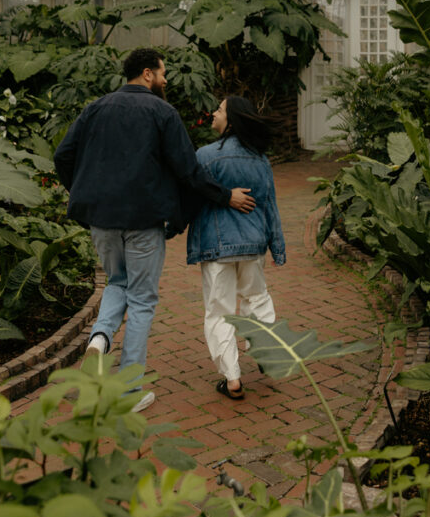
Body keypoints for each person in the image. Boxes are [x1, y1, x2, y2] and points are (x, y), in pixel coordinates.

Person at [53, 48, 256, 412]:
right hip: (143, 221)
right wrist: (225, 196)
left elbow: (62, 156)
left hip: (101, 221)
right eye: (163, 73)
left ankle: (99, 339)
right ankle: (129, 392)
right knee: (142, 300)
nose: (165, 80)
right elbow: (188, 170)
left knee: (117, 283)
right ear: (147, 74)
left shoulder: (95, 108)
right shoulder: (162, 112)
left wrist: (85, 194)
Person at [186, 95, 286, 399]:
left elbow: (192, 198)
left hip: (217, 247)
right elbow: (269, 206)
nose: (213, 113)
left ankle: (232, 379)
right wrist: (277, 247)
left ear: (231, 119)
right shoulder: (260, 159)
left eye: (219, 109)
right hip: (253, 244)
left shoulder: (204, 156)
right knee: (257, 299)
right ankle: (267, 353)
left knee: (220, 311)